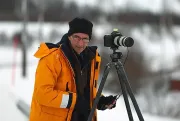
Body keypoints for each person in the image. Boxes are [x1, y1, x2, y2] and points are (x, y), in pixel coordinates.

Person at [29, 17, 117, 121]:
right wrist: (74, 101)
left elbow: (85, 90)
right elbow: (42, 94)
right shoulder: (52, 57)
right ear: (69, 36)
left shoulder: (92, 58)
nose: (80, 43)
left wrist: (99, 100)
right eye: (76, 37)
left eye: (85, 39)